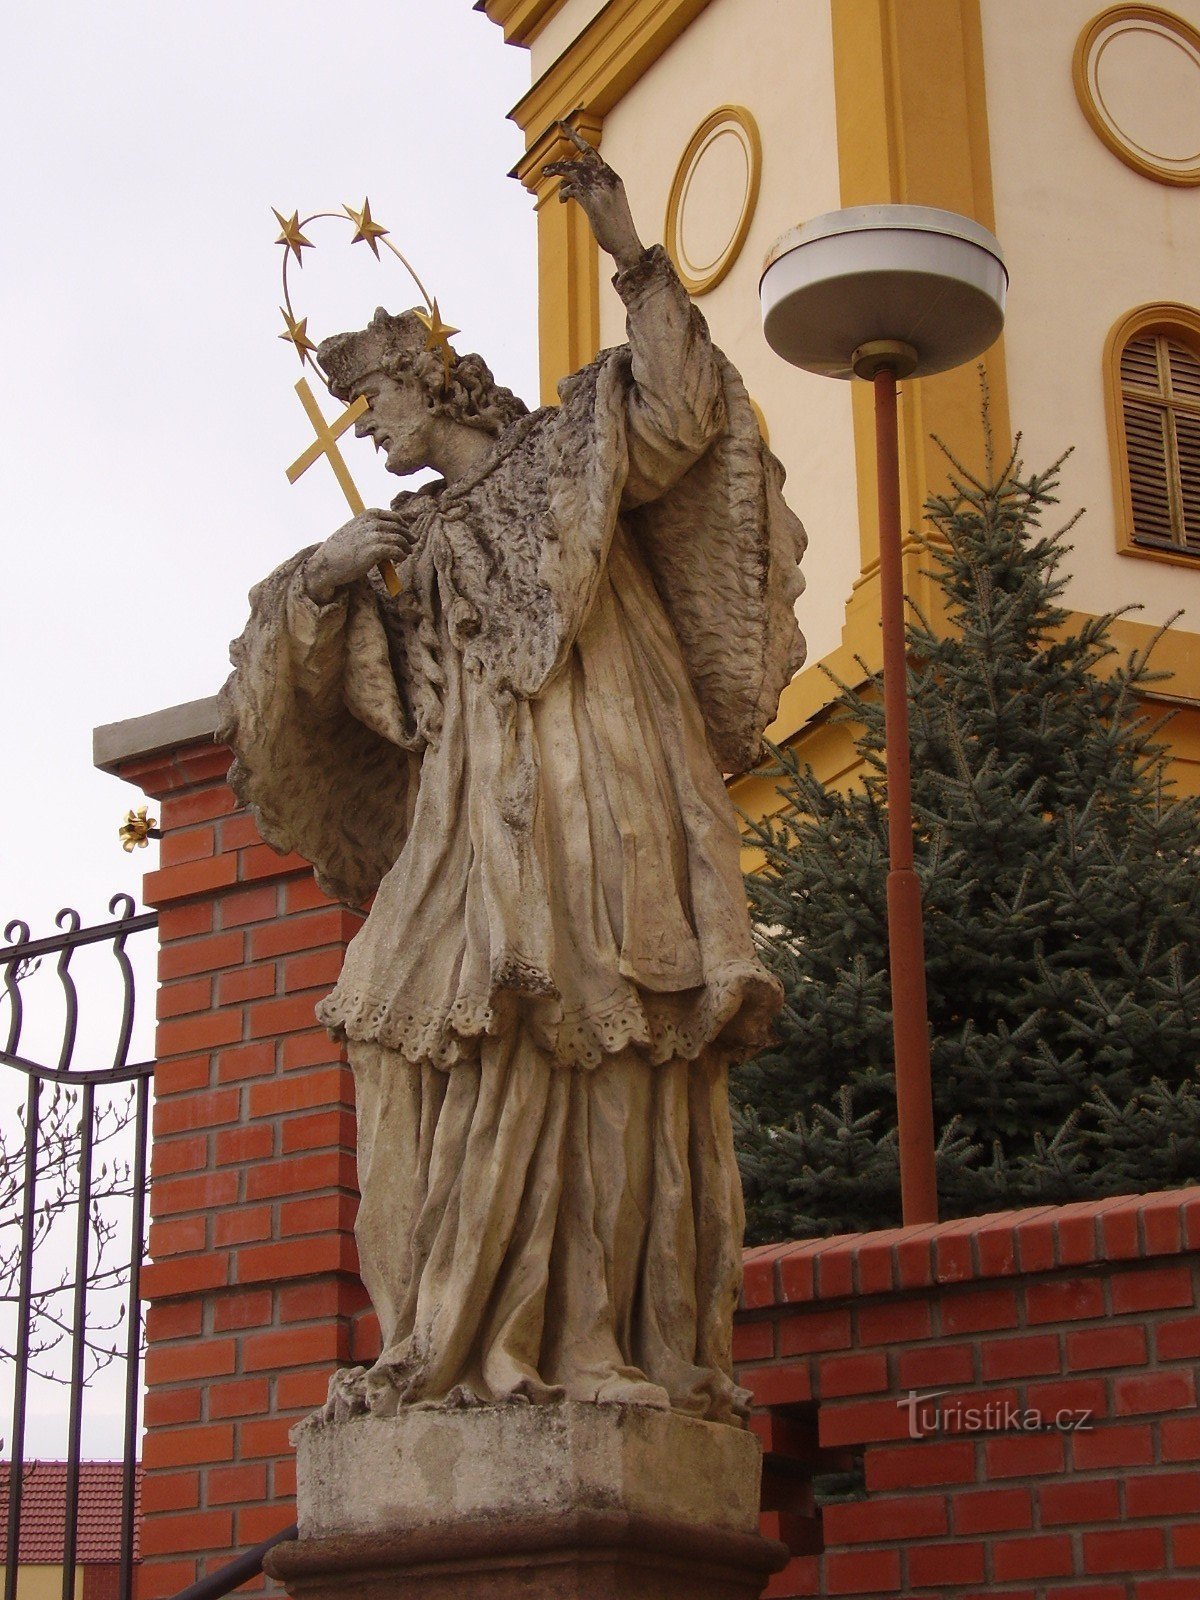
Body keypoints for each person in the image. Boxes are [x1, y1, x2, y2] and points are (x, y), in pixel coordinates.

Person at [218, 133, 805, 1426]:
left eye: (373, 404)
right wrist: (325, 574)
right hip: (473, 811)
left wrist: (629, 253)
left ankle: (595, 1339)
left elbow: (681, 413)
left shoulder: (571, 445)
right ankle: (445, 1332)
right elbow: (306, 687)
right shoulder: (408, 542)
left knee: (601, 1039)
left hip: (608, 776)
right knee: (396, 1023)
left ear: (433, 380)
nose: (363, 435)